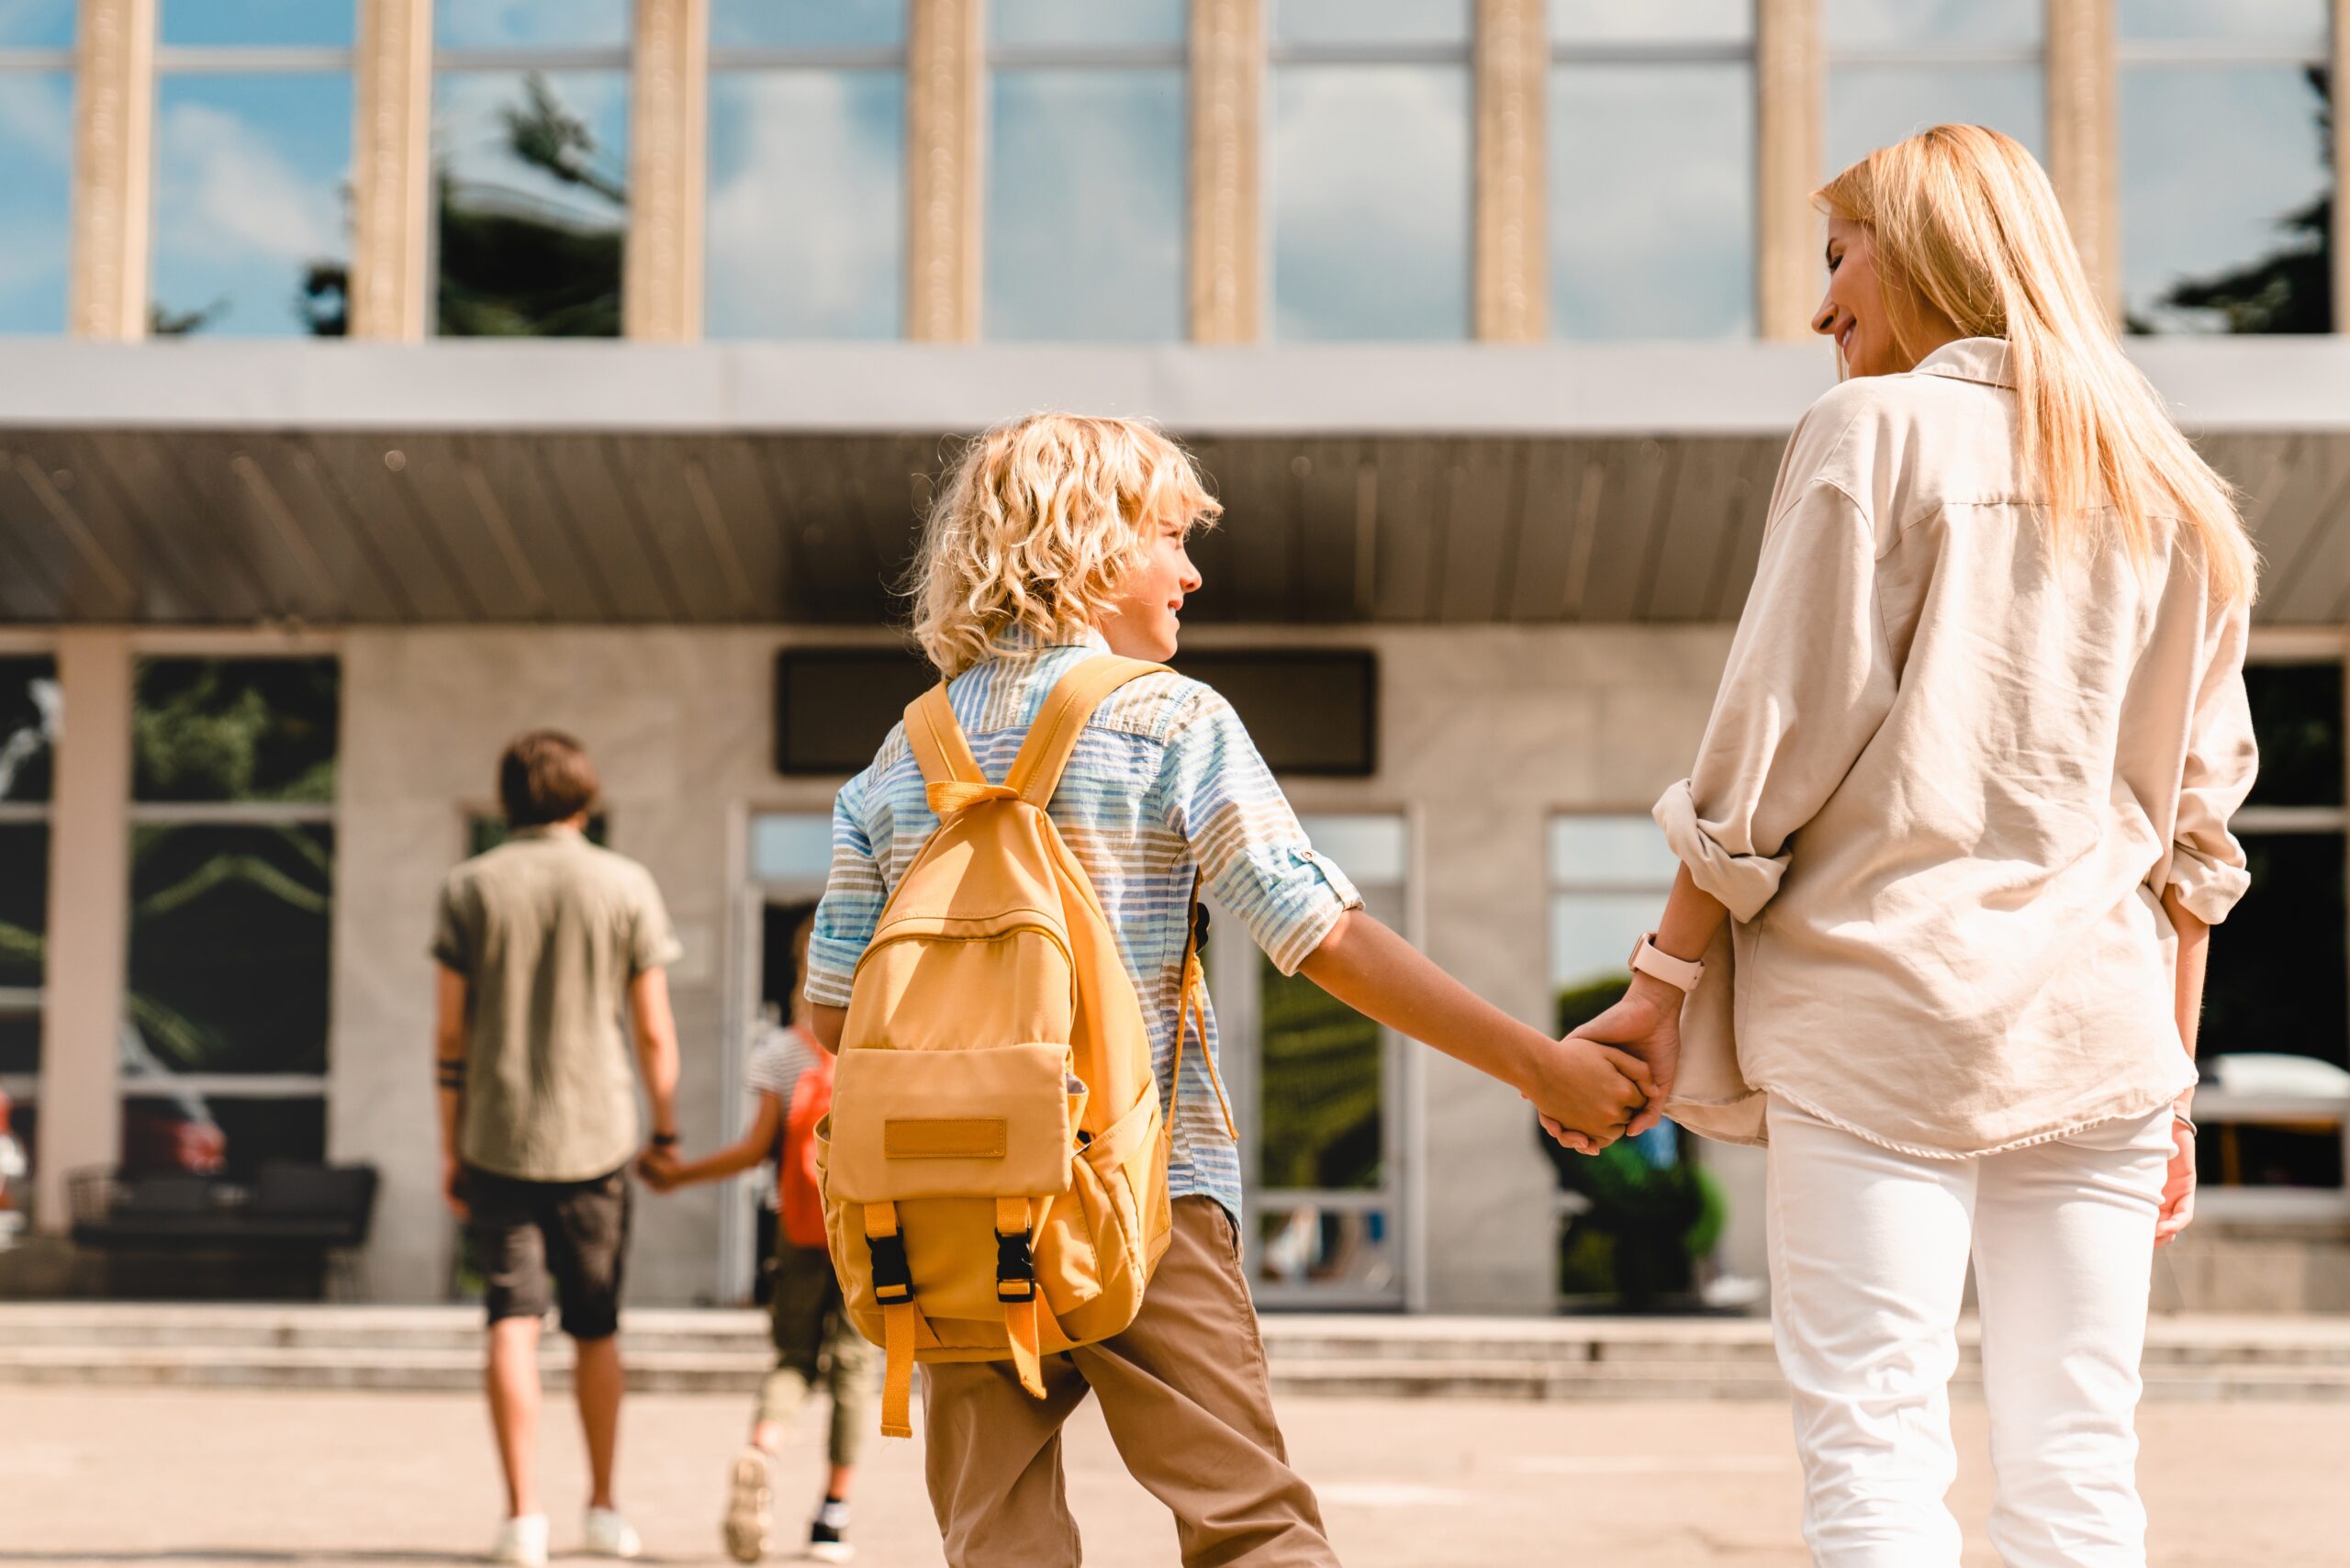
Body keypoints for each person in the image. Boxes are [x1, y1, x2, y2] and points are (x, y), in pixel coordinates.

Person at [1558, 126, 2257, 1567]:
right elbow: (2200, 836)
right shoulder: (2167, 486)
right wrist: (2173, 1085)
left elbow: (1769, 751)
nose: (1823, 311)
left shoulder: (1871, 438)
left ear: (1932, 251)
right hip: (2104, 1040)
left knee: (1875, 1449)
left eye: (1835, 260)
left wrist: (1659, 982)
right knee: (2081, 1472)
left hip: (1880, 1019)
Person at [806, 412, 1652, 1568]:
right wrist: (1538, 1063)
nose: (1191, 571)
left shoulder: (896, 762)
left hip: (947, 1208)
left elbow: (834, 1014)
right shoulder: (1171, 720)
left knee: (995, 1539)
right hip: (1145, 1193)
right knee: (1250, 1527)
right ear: (1087, 543)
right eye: (1168, 536)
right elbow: (1323, 936)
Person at [432, 731, 685, 1567]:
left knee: (510, 1322)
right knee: (596, 1325)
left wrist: (451, 1145)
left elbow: (450, 1032)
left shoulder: (469, 887)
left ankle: (522, 1520)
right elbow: (652, 1030)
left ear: (508, 799)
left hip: (497, 1135)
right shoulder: (624, 884)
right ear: (586, 793)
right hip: (599, 1138)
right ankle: (606, 1510)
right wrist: (666, 1129)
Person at [642, 912, 878, 1564]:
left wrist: (679, 1173)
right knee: (855, 1370)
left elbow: (753, 1152)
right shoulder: (885, 1047)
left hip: (799, 1230)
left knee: (793, 1360)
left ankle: (762, 1446)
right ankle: (832, 1519)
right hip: (872, 1233)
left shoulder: (779, 1053)